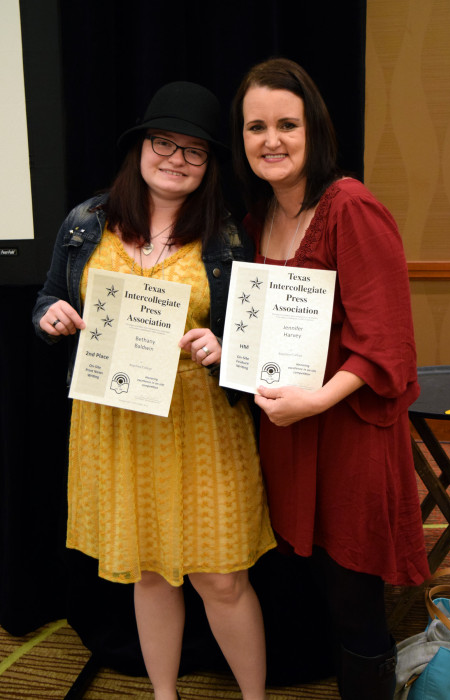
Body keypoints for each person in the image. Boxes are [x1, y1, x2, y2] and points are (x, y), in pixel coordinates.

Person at [32, 81, 275, 700]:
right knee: (148, 574)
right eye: (163, 143)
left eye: (193, 151)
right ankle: (163, 697)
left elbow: (250, 335)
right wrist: (51, 318)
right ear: (140, 148)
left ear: (209, 165)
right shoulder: (87, 222)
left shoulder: (225, 236)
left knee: (221, 579)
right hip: (114, 419)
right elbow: (47, 300)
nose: (176, 159)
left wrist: (221, 346)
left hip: (200, 424)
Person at [230, 57, 430, 699]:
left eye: (287, 124)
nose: (272, 140)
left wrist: (317, 398)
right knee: (321, 586)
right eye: (256, 126)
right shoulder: (262, 218)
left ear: (313, 129)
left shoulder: (351, 206)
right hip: (292, 433)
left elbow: (386, 344)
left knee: (354, 601)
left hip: (347, 435)